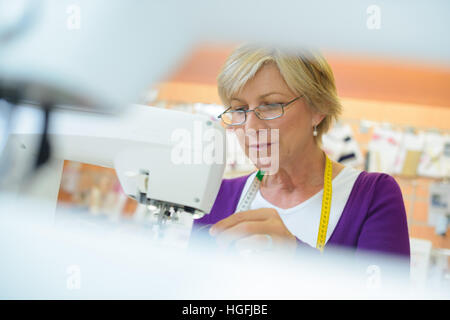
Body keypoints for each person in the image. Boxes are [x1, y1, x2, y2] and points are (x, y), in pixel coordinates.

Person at [193, 44, 410, 259]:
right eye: (239, 109)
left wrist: (294, 253)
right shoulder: (215, 197)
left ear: (318, 108)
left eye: (271, 105)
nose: (250, 128)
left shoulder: (372, 197)